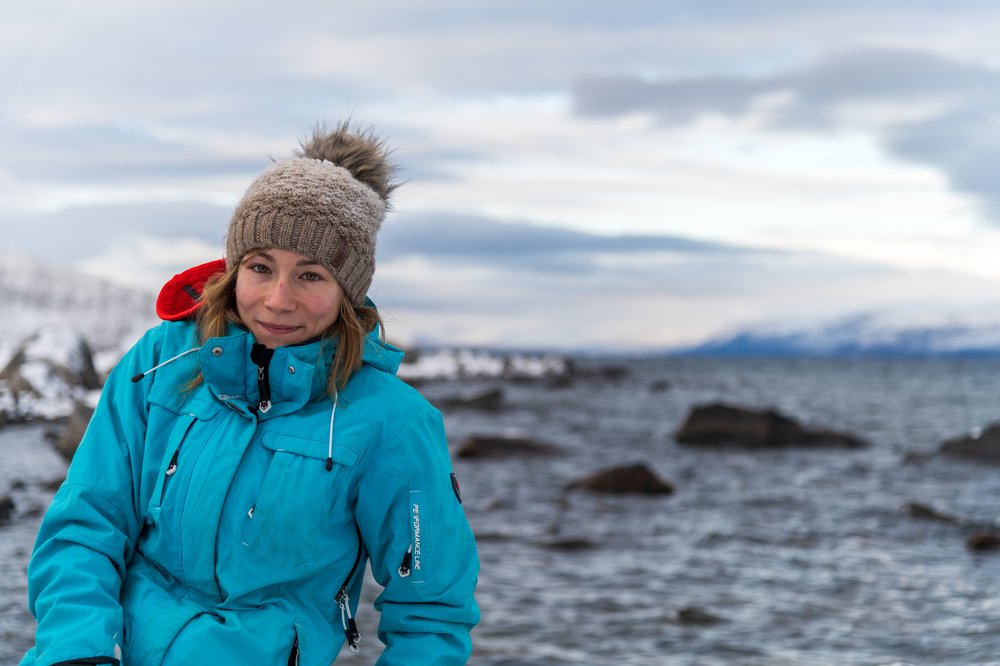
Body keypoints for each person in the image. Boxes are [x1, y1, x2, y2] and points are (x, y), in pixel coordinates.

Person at [20, 122, 480, 665]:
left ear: (348, 292)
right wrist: (77, 653)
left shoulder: (392, 422)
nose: (278, 299)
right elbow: (88, 523)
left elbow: (431, 613)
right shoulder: (158, 363)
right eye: (261, 267)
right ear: (234, 269)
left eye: (311, 276)